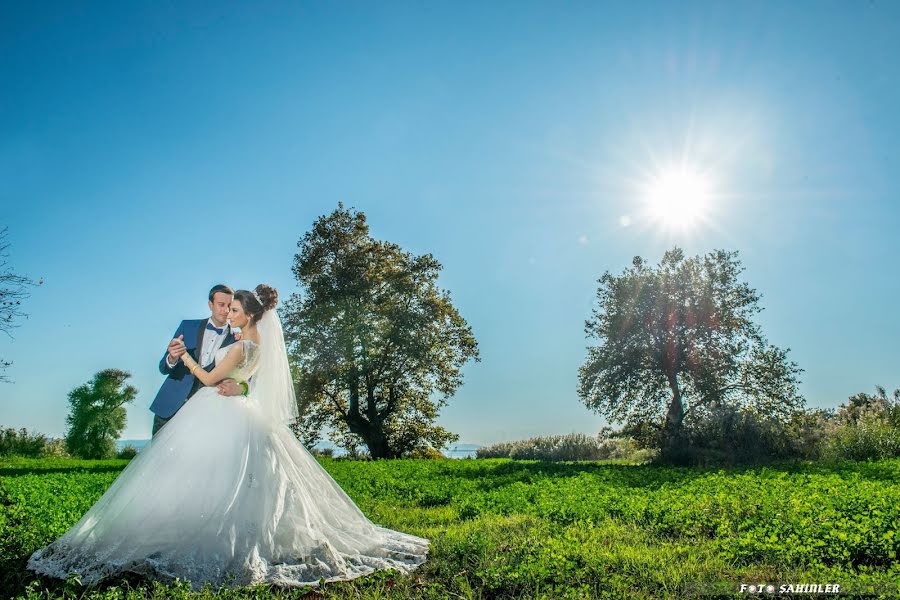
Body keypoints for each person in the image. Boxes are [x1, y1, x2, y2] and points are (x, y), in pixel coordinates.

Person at [27, 284, 429, 589]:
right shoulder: (217, 332)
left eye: (233, 307)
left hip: (216, 407)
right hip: (187, 408)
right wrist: (178, 357)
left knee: (214, 473)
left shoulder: (243, 341)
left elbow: (226, 376)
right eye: (224, 306)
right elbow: (186, 367)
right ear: (211, 306)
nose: (228, 311)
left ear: (244, 312)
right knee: (184, 472)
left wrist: (227, 378)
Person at [149, 284, 244, 436]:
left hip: (204, 414)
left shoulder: (238, 340)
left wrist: (240, 387)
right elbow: (163, 368)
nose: (226, 311)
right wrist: (172, 357)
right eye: (221, 305)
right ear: (210, 305)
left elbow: (247, 377)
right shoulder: (187, 326)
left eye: (230, 306)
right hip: (169, 408)